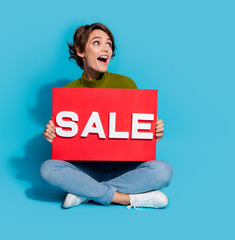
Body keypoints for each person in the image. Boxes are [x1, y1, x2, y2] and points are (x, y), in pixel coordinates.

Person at [40, 23, 173, 209]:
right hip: (86, 170)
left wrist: (152, 133)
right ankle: (127, 199)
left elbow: (136, 132)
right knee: (48, 169)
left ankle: (85, 193)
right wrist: (53, 135)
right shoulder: (68, 92)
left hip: (123, 169)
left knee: (163, 171)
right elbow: (68, 142)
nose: (105, 49)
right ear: (80, 51)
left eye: (109, 44)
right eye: (97, 42)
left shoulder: (126, 83)